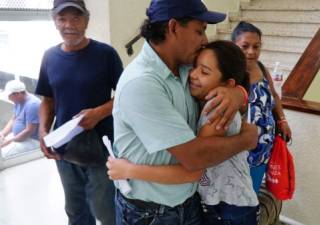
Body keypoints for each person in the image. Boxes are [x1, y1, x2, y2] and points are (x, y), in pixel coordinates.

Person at [111, 0, 258, 224]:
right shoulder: (142, 83)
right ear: (173, 27)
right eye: (199, 31)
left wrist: (238, 92)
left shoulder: (188, 67)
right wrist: (246, 139)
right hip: (151, 212)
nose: (205, 40)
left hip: (190, 201)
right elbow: (195, 159)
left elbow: (240, 70)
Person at [35, 0, 123, 225]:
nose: (69, 24)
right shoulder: (49, 57)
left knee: (106, 212)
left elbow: (125, 97)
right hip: (64, 150)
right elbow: (48, 99)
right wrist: (43, 131)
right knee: (75, 211)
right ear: (54, 21)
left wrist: (98, 113)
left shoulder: (106, 54)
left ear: (87, 20)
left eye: (76, 17)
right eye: (62, 18)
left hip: (101, 149)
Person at [232, 21, 293, 193]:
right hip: (240, 150)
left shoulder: (261, 68)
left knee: (253, 191)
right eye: (245, 46)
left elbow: (273, 95)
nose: (251, 52)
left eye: (256, 46)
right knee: (237, 195)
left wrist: (282, 120)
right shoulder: (230, 74)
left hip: (264, 147)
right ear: (234, 46)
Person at [0, 79, 40, 157]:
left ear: (17, 94)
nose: (8, 99)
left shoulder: (33, 105)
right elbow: (13, 119)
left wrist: (9, 141)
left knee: (2, 154)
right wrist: (2, 134)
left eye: (9, 96)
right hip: (18, 137)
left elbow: (29, 131)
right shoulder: (18, 101)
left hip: (31, 140)